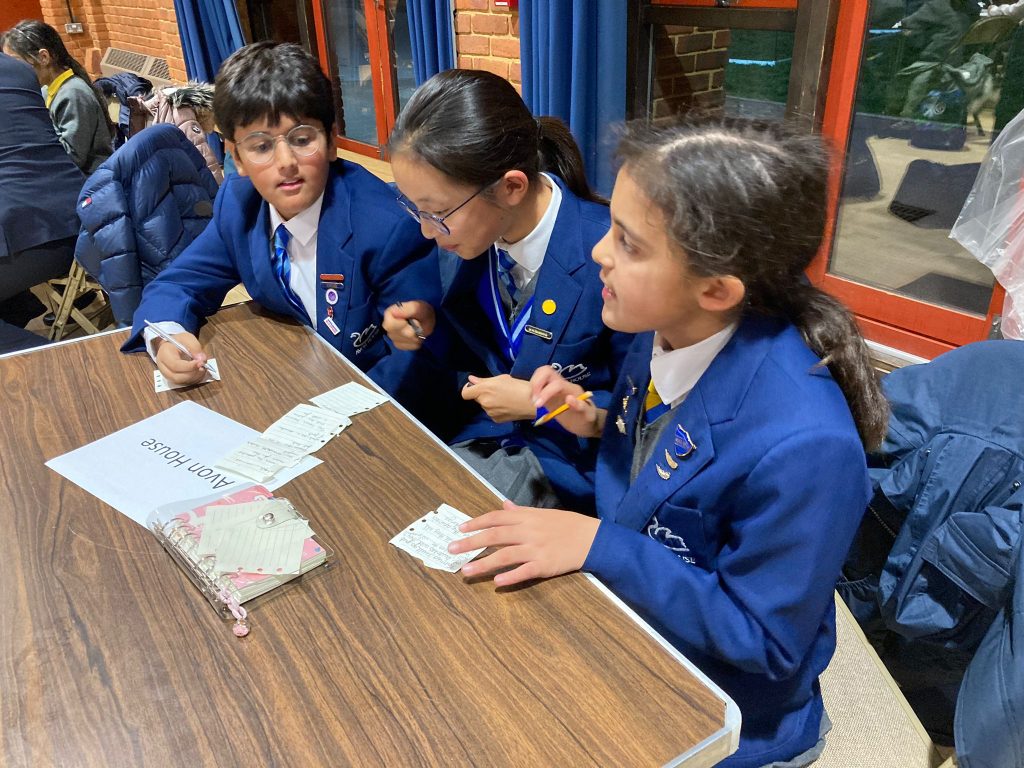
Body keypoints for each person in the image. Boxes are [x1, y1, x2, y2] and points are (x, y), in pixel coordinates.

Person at [448, 117, 891, 767]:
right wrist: (595, 417)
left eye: (627, 244)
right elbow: (662, 447)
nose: (599, 252)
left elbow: (763, 639)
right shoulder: (657, 325)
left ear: (717, 289)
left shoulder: (806, 447)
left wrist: (600, 545)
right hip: (630, 628)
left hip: (727, 714)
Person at [123, 42, 446, 427]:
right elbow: (178, 285)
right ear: (236, 157)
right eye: (260, 146)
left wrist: (332, 418)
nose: (286, 163)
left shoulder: (387, 227)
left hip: (380, 412)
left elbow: (418, 362)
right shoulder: (238, 203)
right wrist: (167, 338)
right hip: (297, 379)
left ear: (330, 141)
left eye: (302, 139)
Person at [382, 69, 632, 513]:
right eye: (414, 209)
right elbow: (482, 356)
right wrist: (433, 329)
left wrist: (540, 405)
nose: (425, 231)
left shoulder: (608, 259)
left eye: (437, 212)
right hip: (485, 443)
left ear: (512, 186)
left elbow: (648, 409)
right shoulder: (473, 238)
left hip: (572, 473)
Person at [0, 50, 85, 340]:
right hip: (80, 218)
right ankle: (19, 313)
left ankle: (46, 371)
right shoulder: (20, 69)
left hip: (27, 236)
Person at [2, 20, 112, 173]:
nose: (14, 71)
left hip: (88, 179)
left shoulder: (73, 93)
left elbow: (73, 157)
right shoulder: (46, 90)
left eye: (17, 63)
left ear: (44, 57)